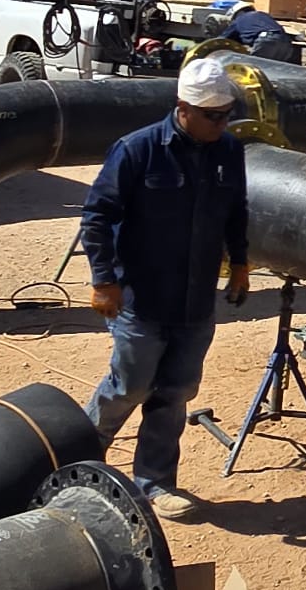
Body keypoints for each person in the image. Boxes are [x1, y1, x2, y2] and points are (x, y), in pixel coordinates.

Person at [82, 56, 251, 520]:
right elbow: (98, 216)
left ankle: (155, 484)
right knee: (129, 386)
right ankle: (78, 463)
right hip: (142, 296)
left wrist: (239, 263)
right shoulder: (137, 150)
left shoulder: (228, 152)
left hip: (195, 301)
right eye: (212, 116)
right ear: (184, 108)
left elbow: (235, 211)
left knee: (175, 392)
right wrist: (103, 281)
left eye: (226, 115)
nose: (222, 124)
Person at [200, 0, 301, 64]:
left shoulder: (239, 20)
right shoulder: (263, 15)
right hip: (286, 43)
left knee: (253, 69)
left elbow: (223, 40)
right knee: (276, 69)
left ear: (236, 14)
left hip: (266, 41)